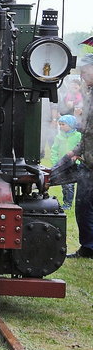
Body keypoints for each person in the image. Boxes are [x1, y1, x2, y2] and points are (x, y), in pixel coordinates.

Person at [67, 53, 93, 258]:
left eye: (85, 72)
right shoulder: (89, 93)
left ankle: (89, 247)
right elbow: (87, 129)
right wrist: (77, 150)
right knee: (84, 205)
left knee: (84, 205)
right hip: (87, 156)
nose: (83, 76)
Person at [47, 114, 81, 210]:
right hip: (61, 165)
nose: (61, 126)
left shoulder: (78, 136)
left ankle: (68, 204)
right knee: (63, 184)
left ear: (71, 125)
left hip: (73, 165)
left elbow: (81, 149)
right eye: (60, 124)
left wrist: (77, 159)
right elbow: (54, 150)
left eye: (63, 124)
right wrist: (55, 161)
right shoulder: (59, 137)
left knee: (69, 185)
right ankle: (66, 201)